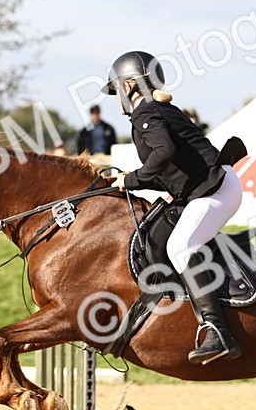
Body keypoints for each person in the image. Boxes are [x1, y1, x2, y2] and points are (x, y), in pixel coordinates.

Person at [104, 50, 243, 364]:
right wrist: (131, 181)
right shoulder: (157, 110)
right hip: (209, 187)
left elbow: (163, 152)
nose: (116, 100)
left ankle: (218, 331)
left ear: (128, 86)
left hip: (215, 190)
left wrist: (133, 178)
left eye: (116, 91)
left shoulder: (145, 113)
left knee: (181, 246)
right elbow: (170, 172)